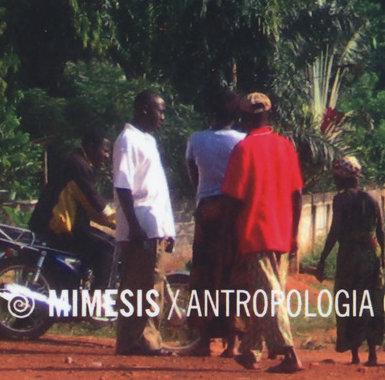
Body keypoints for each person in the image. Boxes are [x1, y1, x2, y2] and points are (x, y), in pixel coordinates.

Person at [221, 91, 304, 373]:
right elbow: (298, 194)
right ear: (269, 114)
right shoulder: (285, 146)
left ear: (245, 117)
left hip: (254, 232)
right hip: (281, 232)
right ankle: (251, 350)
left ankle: (289, 352)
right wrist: (294, 233)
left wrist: (228, 236)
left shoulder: (244, 149)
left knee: (268, 294)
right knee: (264, 291)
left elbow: (233, 199)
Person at [112, 89, 176, 357]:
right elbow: (123, 187)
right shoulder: (128, 140)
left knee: (147, 285)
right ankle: (143, 342)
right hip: (141, 229)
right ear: (144, 110)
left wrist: (168, 229)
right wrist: (135, 226)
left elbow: (156, 188)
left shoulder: (147, 140)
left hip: (154, 227)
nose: (163, 117)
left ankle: (137, 341)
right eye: (159, 110)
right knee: (143, 287)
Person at [186, 84, 244, 357]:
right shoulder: (241, 141)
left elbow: (192, 174)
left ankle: (203, 339)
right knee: (232, 275)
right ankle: (233, 342)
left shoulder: (196, 139)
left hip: (207, 211)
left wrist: (204, 194)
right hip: (233, 215)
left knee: (203, 275)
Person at [314, 155, 385, 365]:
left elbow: (335, 231)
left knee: (349, 300)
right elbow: (381, 229)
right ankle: (372, 354)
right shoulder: (373, 198)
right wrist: (383, 258)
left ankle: (355, 354)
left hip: (350, 257)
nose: (335, 181)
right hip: (371, 255)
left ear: (344, 177)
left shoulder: (341, 200)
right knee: (371, 301)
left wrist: (322, 259)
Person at [29, 124, 116, 288]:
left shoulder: (76, 162)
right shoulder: (79, 166)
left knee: (100, 242)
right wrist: (123, 223)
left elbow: (90, 208)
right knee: (109, 248)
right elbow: (95, 206)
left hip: (53, 225)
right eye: (104, 151)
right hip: (56, 227)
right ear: (91, 146)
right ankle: (98, 300)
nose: (106, 156)